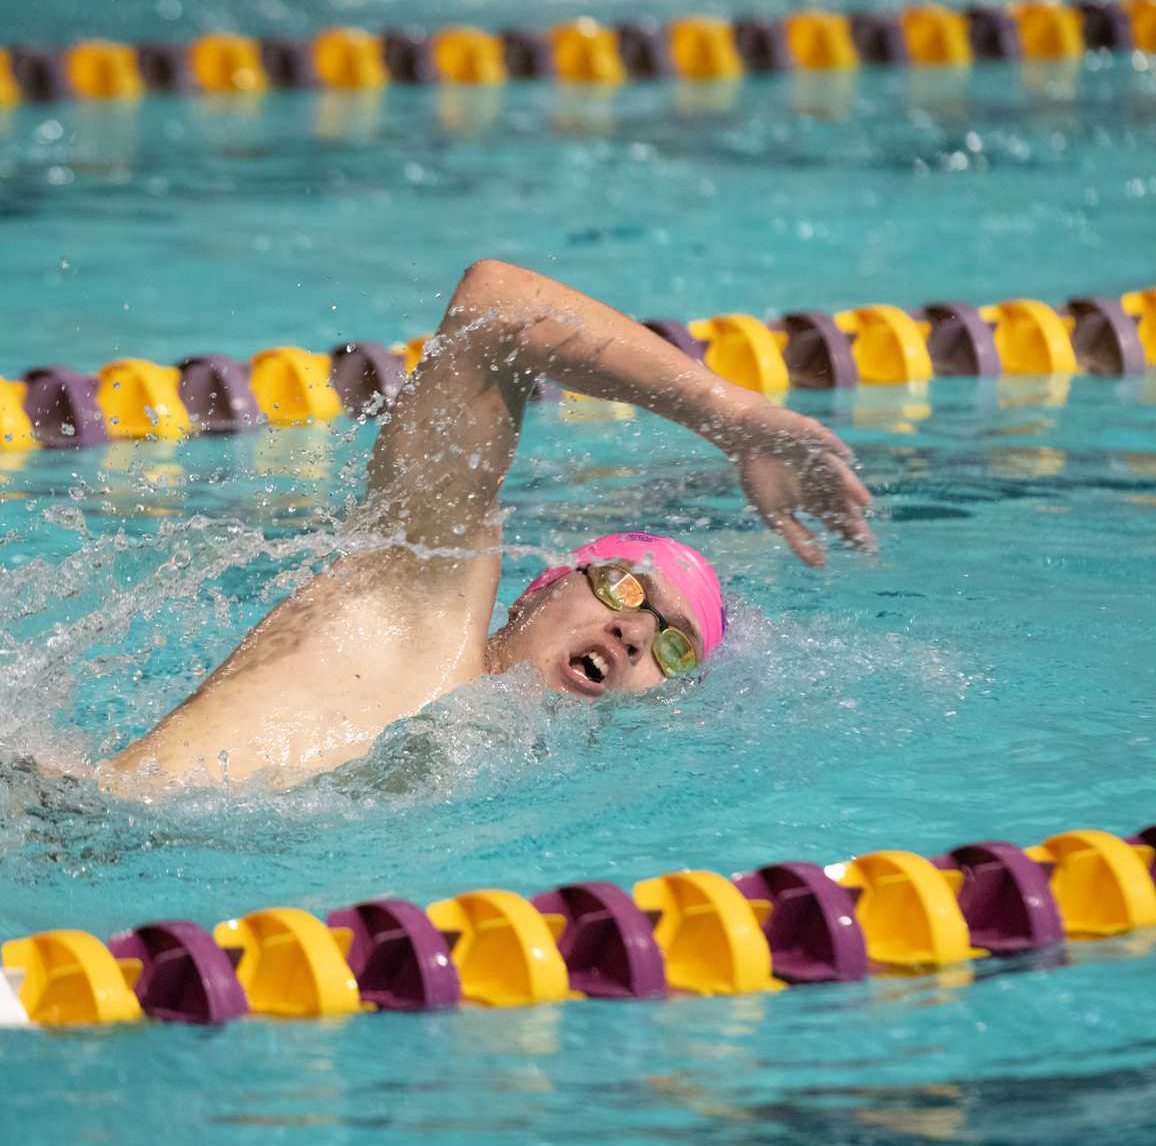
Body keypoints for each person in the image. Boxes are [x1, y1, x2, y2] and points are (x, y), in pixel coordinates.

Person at [98, 261, 874, 797]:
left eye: (673, 647)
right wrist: (735, 418)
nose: (636, 632)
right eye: (626, 587)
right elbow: (496, 303)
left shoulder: (497, 787)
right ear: (537, 591)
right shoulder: (418, 612)